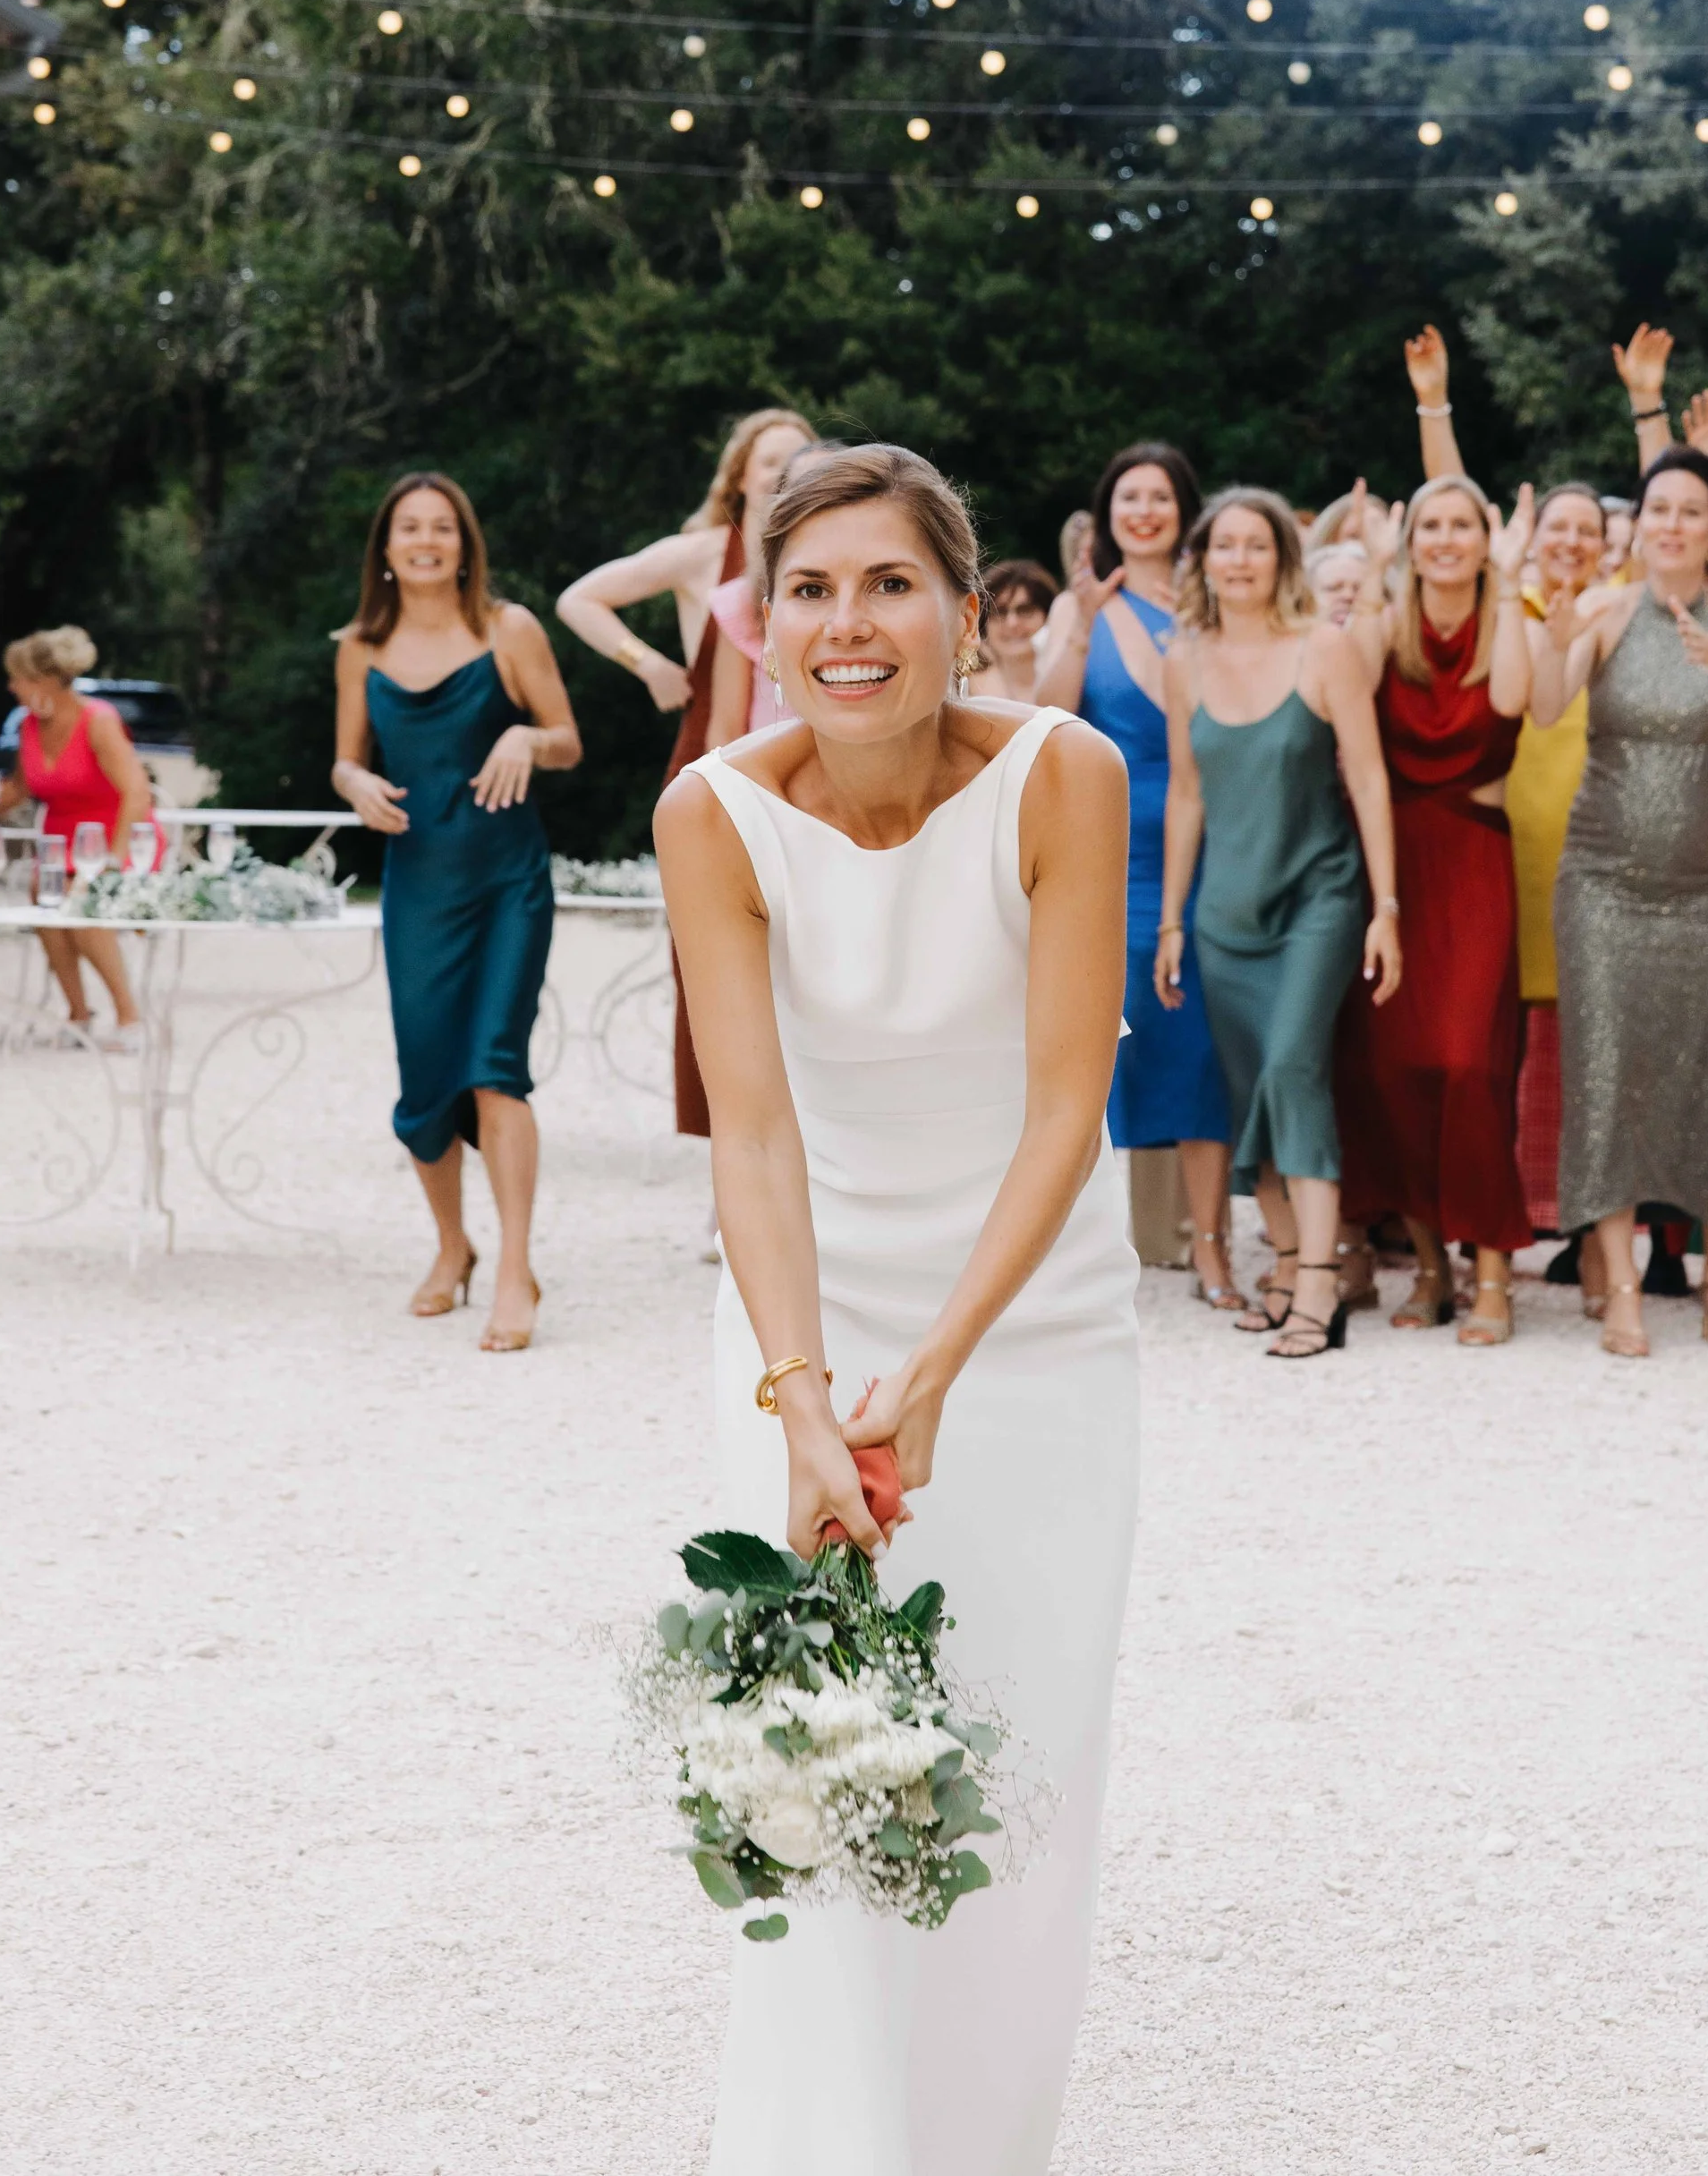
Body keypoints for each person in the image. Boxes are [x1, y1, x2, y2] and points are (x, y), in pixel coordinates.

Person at [657, 443, 1137, 2172]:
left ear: (962, 602)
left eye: (887, 582)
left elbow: (1067, 1109)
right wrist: (804, 1396)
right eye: (809, 588)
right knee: (813, 1747)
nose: (846, 624)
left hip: (1032, 1322)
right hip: (806, 1305)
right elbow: (757, 1126)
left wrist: (936, 1370)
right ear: (763, 616)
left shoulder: (1064, 777)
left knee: (1015, 1754)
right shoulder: (712, 809)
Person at [1532, 448, 1708, 1357]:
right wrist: (1552, 637)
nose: (1670, 524)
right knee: (1605, 1071)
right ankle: (1622, 1283)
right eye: (1656, 508)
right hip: (1601, 877)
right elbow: (1544, 709)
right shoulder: (1603, 603)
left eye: (1689, 510)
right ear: (1635, 522)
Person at [335, 472, 582, 1350]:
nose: (428, 540)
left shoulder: (507, 630)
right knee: (425, 1080)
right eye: (411, 527)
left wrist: (523, 733)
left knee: (493, 1066)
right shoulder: (360, 648)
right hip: (418, 885)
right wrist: (355, 781)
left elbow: (567, 738)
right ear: (388, 548)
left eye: (443, 526)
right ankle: (453, 1247)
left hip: (506, 881)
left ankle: (516, 1270)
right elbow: (344, 760)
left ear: (464, 543)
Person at [1155, 489, 1398, 1358]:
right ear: (1204, 562)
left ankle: (1321, 1285)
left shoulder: (1323, 648)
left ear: (1282, 560)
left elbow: (1368, 781)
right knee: (1254, 1082)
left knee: (1294, 1064)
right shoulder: (1182, 660)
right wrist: (1172, 923)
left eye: (1257, 545)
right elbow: (1186, 794)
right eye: (1224, 545)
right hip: (1223, 913)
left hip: (1319, 898)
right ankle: (1288, 1264)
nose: (1240, 560)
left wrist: (1387, 907)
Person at [1335, 396, 1538, 1345]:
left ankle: (1490, 1266)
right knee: (1395, 1068)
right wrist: (1380, 902)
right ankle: (1427, 1264)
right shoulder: (1383, 626)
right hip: (1395, 862)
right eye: (1430, 526)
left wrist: (1512, 570)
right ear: (1409, 539)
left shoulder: (1508, 619)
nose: (1446, 539)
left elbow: (1504, 704)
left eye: (1462, 525)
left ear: (1482, 538)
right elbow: (1363, 763)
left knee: (1469, 1062)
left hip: (1475, 859)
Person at [557, 406, 815, 1135]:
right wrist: (650, 665)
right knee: (718, 976)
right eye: (771, 462)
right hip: (719, 758)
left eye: (801, 460)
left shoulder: (830, 554)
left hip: (814, 777)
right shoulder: (705, 553)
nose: (785, 474)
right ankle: (729, 1167)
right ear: (740, 475)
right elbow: (579, 598)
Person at [1036, 441, 1236, 1306]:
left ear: (1184, 509)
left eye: (1160, 496)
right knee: (1098, 1047)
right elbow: (1044, 714)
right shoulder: (1085, 605)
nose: (1145, 510)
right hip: (1110, 854)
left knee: (1198, 1047)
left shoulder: (1217, 601)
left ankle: (1212, 1248)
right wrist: (1080, 620)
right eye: (1129, 497)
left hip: (1211, 845)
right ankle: (1083, 1252)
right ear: (1108, 513)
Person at [1504, 484, 1611, 1244]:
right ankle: (1507, 1210)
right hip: (1506, 838)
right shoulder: (1508, 604)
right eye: (1558, 526)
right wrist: (1437, 405)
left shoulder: (1620, 609)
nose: (1571, 540)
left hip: (1594, 841)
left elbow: (1680, 494)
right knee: (1503, 1030)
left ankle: (1585, 1219)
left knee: (1587, 1030)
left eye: (1588, 529)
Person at [0, 626, 155, 1038]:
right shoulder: (30, 726)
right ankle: (78, 1013)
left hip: (116, 832)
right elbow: (23, 788)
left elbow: (136, 792)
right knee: (43, 892)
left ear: (43, 680)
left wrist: (114, 860)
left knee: (79, 899)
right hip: (62, 837)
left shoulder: (98, 720)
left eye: (18, 679)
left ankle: (129, 1015)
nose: (11, 687)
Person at [706, 439, 842, 747]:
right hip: (768, 783)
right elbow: (724, 731)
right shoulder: (742, 600)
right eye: (802, 490)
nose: (816, 501)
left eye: (830, 486)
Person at [964, 558, 1058, 703]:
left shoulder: (1077, 676)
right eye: (1000, 612)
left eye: (1025, 610)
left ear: (1048, 616)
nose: (1012, 623)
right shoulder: (962, 685)